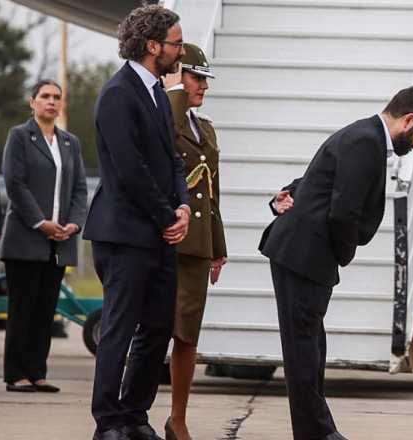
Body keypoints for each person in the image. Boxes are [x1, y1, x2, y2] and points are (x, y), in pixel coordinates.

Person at [259, 86, 413, 440]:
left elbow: (317, 181)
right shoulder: (366, 141)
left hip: (305, 255)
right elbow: (343, 212)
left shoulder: (363, 135)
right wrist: (344, 254)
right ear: (410, 120)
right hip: (304, 256)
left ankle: (316, 432)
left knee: (311, 348)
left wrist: (285, 195)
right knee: (303, 352)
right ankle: (318, 434)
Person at [84, 5, 189, 440]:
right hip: (124, 234)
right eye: (176, 43)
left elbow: (172, 161)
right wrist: (167, 216)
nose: (180, 51)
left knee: (159, 326)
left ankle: (133, 414)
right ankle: (108, 421)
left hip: (159, 233)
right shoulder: (117, 94)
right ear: (152, 46)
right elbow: (129, 169)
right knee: (119, 329)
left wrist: (182, 207)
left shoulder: (157, 94)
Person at [0, 79, 88, 393]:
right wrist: (41, 222)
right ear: (32, 102)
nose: (51, 101)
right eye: (45, 96)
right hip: (26, 239)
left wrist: (74, 224)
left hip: (60, 241)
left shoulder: (69, 143)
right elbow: (16, 185)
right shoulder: (20, 136)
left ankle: (38, 372)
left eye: (56, 97)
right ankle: (16, 374)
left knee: (45, 309)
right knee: (22, 308)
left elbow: (78, 188)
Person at [162, 43, 226, 440]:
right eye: (196, 77)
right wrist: (172, 92)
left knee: (187, 336)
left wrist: (218, 247)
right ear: (177, 77)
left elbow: (213, 192)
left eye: (205, 79)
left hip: (196, 247)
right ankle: (128, 413)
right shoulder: (164, 115)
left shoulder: (205, 128)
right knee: (150, 332)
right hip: (165, 242)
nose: (203, 86)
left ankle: (177, 418)